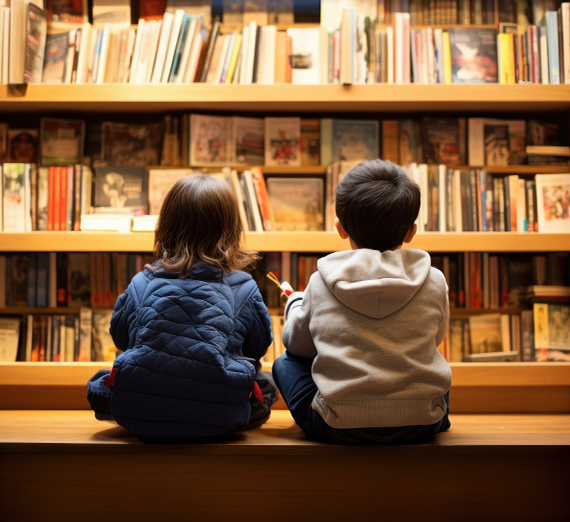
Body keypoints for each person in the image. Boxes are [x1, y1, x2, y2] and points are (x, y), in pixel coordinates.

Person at [272, 159, 452, 444]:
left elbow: (298, 346)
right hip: (423, 422)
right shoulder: (435, 280)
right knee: (431, 359)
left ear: (340, 227)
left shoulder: (321, 282)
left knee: (284, 363)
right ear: (410, 232)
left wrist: (296, 305)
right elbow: (436, 338)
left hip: (337, 424)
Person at [87, 174, 278, 442]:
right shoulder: (244, 287)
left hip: (138, 414)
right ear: (231, 229)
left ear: (165, 226)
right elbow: (258, 346)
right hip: (220, 416)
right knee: (266, 383)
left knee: (103, 379)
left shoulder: (142, 283)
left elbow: (120, 337)